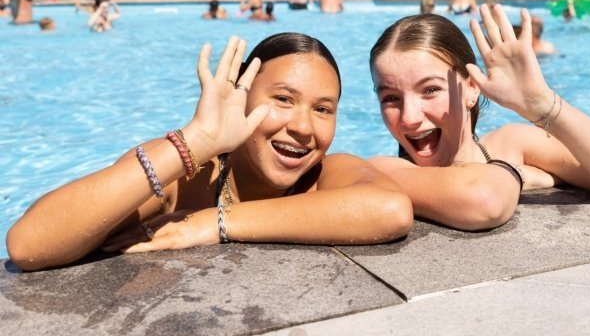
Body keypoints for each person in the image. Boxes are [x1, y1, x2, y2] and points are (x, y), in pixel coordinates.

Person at [6, 34, 413, 271]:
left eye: (323, 109)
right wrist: (195, 142)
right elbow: (28, 244)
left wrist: (217, 223)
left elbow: (390, 212)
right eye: (283, 99)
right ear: (240, 95)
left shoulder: (326, 175)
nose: (304, 128)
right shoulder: (183, 179)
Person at [367, 5, 590, 231]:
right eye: (390, 98)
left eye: (430, 90)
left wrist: (541, 103)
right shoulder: (382, 169)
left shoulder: (512, 143)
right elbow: (484, 201)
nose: (409, 118)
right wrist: (520, 173)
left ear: (472, 88)